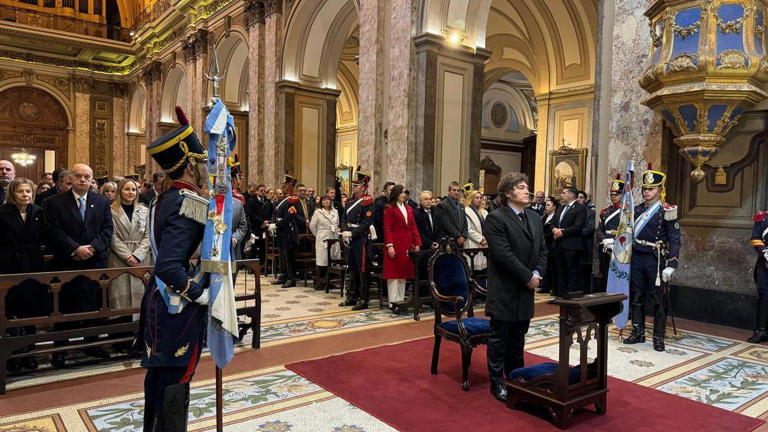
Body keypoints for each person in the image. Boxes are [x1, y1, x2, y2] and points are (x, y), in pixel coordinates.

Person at [138, 107, 210, 431]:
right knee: (175, 378)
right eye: (203, 161)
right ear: (191, 162)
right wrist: (199, 293)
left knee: (159, 375)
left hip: (157, 301)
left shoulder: (163, 198)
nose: (206, 167)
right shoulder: (188, 201)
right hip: (176, 308)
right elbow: (169, 265)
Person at [484, 172, 547, 403]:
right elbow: (503, 255)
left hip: (526, 289)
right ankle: (497, 382)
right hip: (505, 289)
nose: (526, 191)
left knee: (519, 337)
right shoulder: (496, 218)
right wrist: (527, 276)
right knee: (500, 338)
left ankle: (516, 377)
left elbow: (542, 250)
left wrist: (538, 273)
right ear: (508, 192)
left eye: (527, 186)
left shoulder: (534, 217)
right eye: (521, 187)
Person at [45, 163, 113, 367]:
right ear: (70, 179)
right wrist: (75, 249)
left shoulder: (101, 202)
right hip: (67, 262)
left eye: (87, 176)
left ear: (92, 180)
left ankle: (92, 343)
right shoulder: (53, 202)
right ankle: (60, 349)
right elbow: (52, 230)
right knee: (65, 307)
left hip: (94, 262)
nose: (83, 180)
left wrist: (92, 248)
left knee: (93, 305)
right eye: (78, 176)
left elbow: (107, 229)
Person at [621, 164, 680, 352]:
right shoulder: (637, 210)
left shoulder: (667, 210)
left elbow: (675, 240)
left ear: (660, 190)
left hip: (656, 260)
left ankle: (658, 337)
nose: (647, 192)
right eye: (645, 189)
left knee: (657, 300)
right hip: (637, 257)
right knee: (637, 296)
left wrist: (672, 264)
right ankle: (637, 332)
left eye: (651, 189)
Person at [1, 178, 47, 372]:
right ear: (13, 193)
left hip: (33, 262)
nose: (25, 195)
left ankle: (29, 352)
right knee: (13, 310)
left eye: (28, 191)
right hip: (10, 264)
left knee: (30, 309)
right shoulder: (3, 212)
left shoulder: (38, 212)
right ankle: (13, 355)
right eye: (21, 191)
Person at [108, 178, 152, 312]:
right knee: (120, 295)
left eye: (134, 189)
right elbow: (112, 235)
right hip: (119, 256)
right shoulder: (111, 210)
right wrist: (127, 256)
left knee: (140, 295)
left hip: (141, 257)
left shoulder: (144, 210)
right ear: (120, 191)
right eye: (127, 189)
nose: (131, 192)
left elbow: (148, 234)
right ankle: (119, 328)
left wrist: (137, 255)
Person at [340, 168, 375, 310]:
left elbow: (367, 223)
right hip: (349, 238)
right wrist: (344, 231)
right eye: (353, 185)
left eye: (356, 185)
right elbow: (344, 218)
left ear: (363, 186)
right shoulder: (349, 201)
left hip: (361, 240)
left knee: (362, 269)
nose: (354, 188)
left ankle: (363, 299)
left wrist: (352, 233)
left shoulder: (368, 202)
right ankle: (352, 297)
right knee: (351, 268)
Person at [382, 184, 421, 313]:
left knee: (403, 273)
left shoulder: (409, 208)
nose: (404, 194)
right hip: (395, 243)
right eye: (402, 192)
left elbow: (413, 227)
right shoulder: (389, 208)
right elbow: (387, 228)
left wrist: (417, 243)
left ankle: (401, 302)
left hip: (406, 243)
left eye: (405, 192)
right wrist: (390, 245)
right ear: (396, 194)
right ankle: (393, 303)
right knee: (394, 275)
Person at [269, 173, 305, 288]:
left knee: (289, 255)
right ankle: (283, 275)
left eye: (285, 186)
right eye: (283, 186)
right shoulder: (283, 199)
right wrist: (273, 223)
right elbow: (276, 212)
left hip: (288, 230)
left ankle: (291, 278)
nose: (283, 188)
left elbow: (290, 216)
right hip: (281, 229)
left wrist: (277, 224)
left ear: (290, 186)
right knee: (281, 254)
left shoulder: (292, 200)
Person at [551, 186, 586, 298]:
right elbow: (552, 222)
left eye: (563, 193)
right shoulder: (561, 208)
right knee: (560, 270)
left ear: (571, 195)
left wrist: (563, 232)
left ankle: (570, 294)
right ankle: (561, 294)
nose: (561, 195)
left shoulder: (580, 208)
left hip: (571, 245)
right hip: (558, 244)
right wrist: (554, 229)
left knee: (571, 270)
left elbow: (578, 226)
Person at [596, 176, 624, 292]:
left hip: (620, 247)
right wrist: (604, 240)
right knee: (605, 273)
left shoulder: (626, 211)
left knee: (618, 274)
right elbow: (599, 229)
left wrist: (614, 240)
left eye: (616, 194)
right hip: (605, 247)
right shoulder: (605, 212)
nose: (613, 197)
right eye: (612, 194)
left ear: (623, 195)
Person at [310, 195, 340, 291]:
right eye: (324, 200)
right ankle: (319, 282)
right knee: (322, 260)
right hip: (323, 236)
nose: (326, 201)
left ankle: (328, 282)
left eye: (328, 199)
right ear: (321, 202)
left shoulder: (335, 211)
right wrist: (318, 235)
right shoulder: (318, 212)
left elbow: (337, 223)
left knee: (331, 260)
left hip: (333, 236)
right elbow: (312, 226)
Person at [750, 209, 768, 343]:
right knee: (764, 295)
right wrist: (765, 252)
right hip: (765, 264)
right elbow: (755, 238)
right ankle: (762, 331)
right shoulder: (762, 218)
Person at [433, 181, 469, 247]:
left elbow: (465, 223)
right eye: (454, 190)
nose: (456, 192)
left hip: (461, 241)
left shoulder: (461, 206)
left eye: (458, 190)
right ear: (449, 190)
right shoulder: (442, 205)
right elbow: (446, 224)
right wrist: (458, 236)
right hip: (449, 240)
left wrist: (463, 236)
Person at [245, 184, 274, 263]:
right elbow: (250, 214)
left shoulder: (267, 201)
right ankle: (252, 266)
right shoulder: (251, 201)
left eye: (264, 191)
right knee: (253, 247)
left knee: (263, 247)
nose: (263, 192)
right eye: (261, 191)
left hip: (264, 227)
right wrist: (261, 222)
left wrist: (267, 222)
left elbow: (271, 212)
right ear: (257, 191)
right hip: (255, 227)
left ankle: (262, 266)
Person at [463, 186, 488, 273]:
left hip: (484, 242)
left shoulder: (484, 212)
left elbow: (488, 227)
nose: (479, 199)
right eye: (476, 197)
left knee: (483, 270)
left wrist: (486, 238)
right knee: (473, 269)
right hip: (472, 242)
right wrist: (480, 239)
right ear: (472, 199)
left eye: (480, 198)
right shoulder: (466, 211)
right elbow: (468, 229)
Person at [538, 196, 559, 295]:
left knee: (552, 266)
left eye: (548, 205)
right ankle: (545, 286)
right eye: (545, 205)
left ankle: (554, 287)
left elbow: (552, 231)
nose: (546, 207)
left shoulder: (556, 217)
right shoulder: (544, 217)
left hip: (552, 244)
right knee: (545, 265)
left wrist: (543, 236)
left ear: (554, 207)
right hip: (544, 244)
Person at [578, 190, 596, 292]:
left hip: (586, 246)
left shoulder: (590, 212)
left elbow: (590, 228)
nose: (578, 199)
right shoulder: (575, 211)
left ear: (586, 199)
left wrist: (574, 232)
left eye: (581, 197)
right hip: (576, 246)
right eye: (577, 197)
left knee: (586, 272)